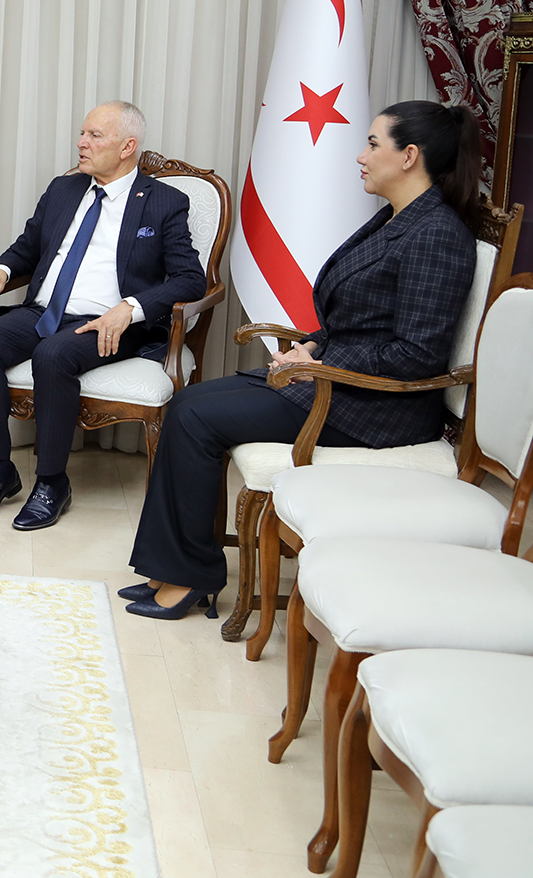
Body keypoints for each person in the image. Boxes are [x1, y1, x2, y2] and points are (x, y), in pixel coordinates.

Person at [124, 101, 483, 620]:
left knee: (196, 417)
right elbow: (360, 316)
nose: (360, 155)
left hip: (375, 407)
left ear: (409, 156)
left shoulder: (437, 235)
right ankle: (171, 567)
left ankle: (190, 576)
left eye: (373, 144)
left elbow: (417, 354)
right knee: (187, 403)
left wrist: (318, 365)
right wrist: (313, 345)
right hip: (338, 380)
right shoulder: (399, 218)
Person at [0, 101, 206, 530]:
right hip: (44, 311)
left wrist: (130, 308)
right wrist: (1, 269)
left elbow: (191, 280)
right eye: (82, 133)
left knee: (54, 354)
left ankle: (51, 482)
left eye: (95, 135)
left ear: (127, 146)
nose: (81, 143)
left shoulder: (164, 202)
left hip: (106, 323)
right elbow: (28, 247)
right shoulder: (64, 189)